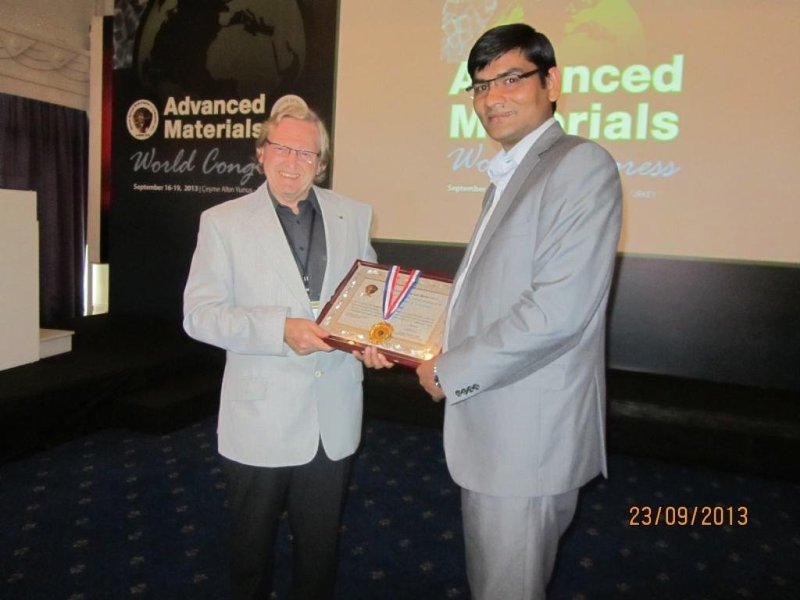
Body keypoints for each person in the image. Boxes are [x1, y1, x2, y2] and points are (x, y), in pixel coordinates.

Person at [416, 23, 622, 599]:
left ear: (551, 83)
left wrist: (449, 370)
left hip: (526, 441)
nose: (492, 98)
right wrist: (414, 338)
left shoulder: (579, 165)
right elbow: (488, 293)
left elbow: (557, 312)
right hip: (501, 428)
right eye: (481, 86)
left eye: (510, 79)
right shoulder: (510, 174)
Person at [183, 94, 388, 600]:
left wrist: (374, 339)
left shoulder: (354, 215)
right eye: (282, 149)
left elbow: (368, 301)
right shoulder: (223, 221)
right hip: (260, 420)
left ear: (321, 162)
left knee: (319, 555)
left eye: (306, 153)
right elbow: (199, 316)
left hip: (332, 416)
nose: (292, 162)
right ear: (262, 152)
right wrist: (279, 329)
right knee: (251, 555)